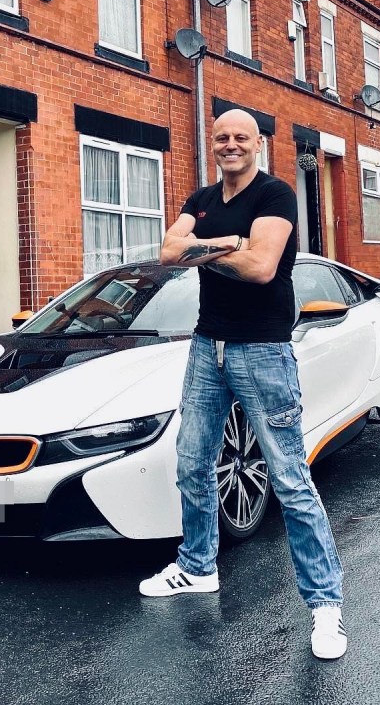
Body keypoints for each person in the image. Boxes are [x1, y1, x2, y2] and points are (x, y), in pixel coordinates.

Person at [139, 108, 347, 660]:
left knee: (289, 477)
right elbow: (166, 253)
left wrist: (207, 248)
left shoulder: (276, 195)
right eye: (222, 138)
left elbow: (262, 268)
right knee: (191, 460)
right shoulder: (203, 197)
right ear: (214, 144)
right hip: (208, 348)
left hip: (263, 350)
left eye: (241, 138)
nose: (231, 145)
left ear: (258, 144)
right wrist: (235, 242)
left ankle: (325, 606)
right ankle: (197, 565)